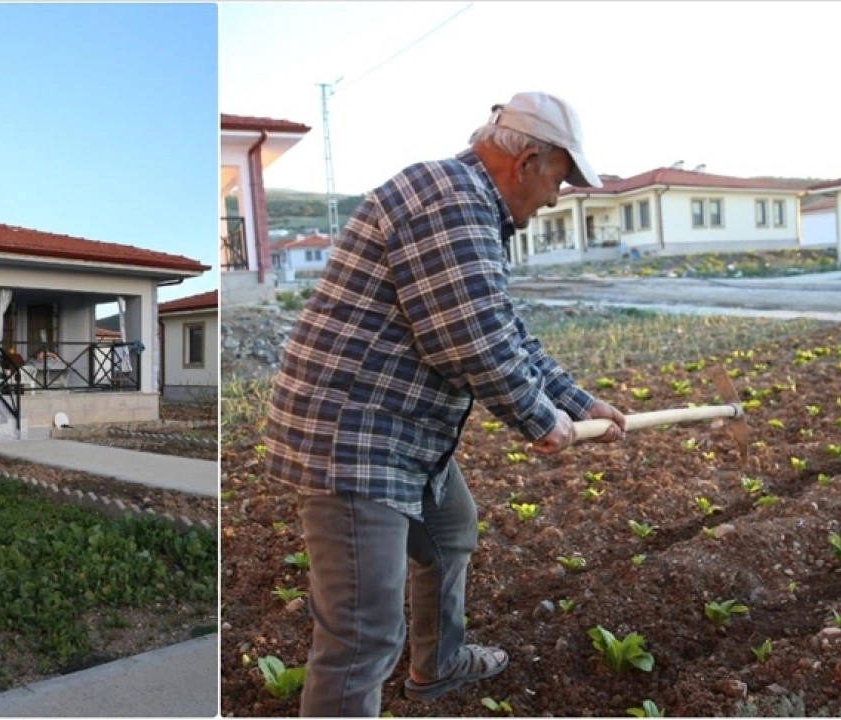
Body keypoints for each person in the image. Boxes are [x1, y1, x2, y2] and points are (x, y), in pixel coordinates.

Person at [264, 91, 629, 717]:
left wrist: (580, 401)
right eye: (559, 178)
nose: (556, 197)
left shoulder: (470, 206)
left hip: (404, 436)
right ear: (528, 161)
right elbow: (469, 337)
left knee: (452, 528)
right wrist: (542, 420)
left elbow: (501, 324)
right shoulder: (450, 199)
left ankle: (439, 664)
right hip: (354, 438)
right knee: (362, 635)